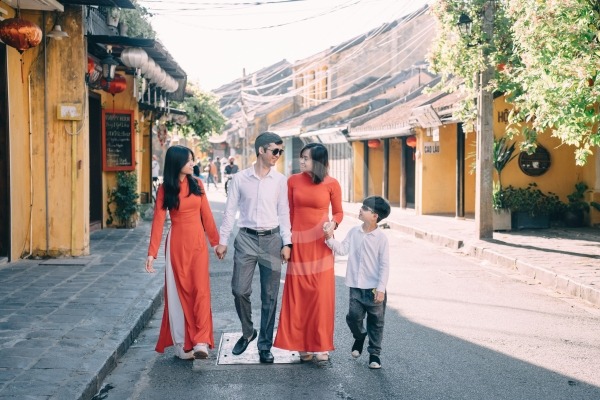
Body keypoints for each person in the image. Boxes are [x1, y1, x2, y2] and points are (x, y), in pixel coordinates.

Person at [215, 132, 292, 364]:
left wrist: (287, 242)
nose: (278, 155)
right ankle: (248, 331)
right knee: (239, 290)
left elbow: (284, 213)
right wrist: (223, 240)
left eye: (280, 151)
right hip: (246, 239)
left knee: (269, 296)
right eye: (274, 151)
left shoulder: (280, 181)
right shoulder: (239, 179)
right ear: (261, 150)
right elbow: (230, 211)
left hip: (271, 240)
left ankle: (265, 345)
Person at [145, 145, 220, 361]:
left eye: (193, 160)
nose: (193, 163)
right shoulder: (164, 189)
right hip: (176, 245)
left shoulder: (197, 184)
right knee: (179, 294)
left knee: (201, 291)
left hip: (197, 245)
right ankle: (181, 343)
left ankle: (201, 341)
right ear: (177, 163)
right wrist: (152, 253)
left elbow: (207, 216)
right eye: (189, 160)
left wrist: (216, 244)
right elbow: (158, 222)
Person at [273, 143, 343, 363]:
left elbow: (339, 212)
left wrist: (333, 224)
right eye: (301, 157)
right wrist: (287, 244)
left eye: (306, 158)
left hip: (321, 245)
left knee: (320, 295)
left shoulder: (332, 183)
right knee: (299, 295)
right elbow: (288, 214)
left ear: (318, 161)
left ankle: (320, 344)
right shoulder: (292, 181)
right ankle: (302, 344)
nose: (301, 161)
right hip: (299, 244)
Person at [323, 196, 391, 369]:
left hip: (375, 288)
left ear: (375, 216)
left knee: (376, 322)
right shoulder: (354, 232)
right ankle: (359, 336)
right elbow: (343, 249)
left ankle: (374, 355)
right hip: (356, 286)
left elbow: (384, 265)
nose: (360, 209)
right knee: (353, 317)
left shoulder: (381, 238)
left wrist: (381, 289)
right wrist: (329, 238)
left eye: (365, 208)